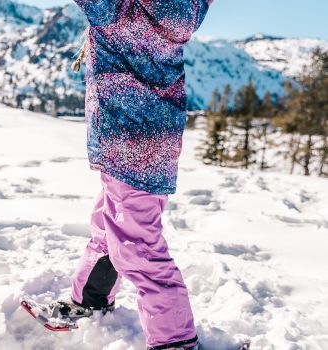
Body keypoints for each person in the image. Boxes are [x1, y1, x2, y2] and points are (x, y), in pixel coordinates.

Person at [52, 1, 212, 349]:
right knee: (111, 227)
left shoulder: (116, 7)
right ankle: (91, 299)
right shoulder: (184, 8)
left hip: (124, 143)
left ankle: (176, 341)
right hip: (156, 143)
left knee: (138, 247)